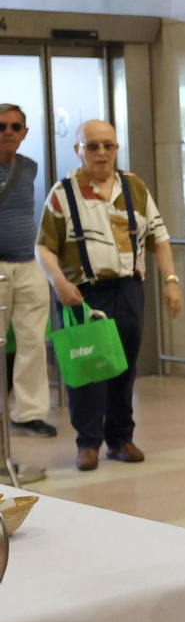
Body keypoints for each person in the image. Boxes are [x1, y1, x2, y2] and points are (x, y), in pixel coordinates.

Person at [37, 120, 185, 472]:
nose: (101, 153)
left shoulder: (133, 186)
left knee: (124, 365)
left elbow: (158, 238)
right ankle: (87, 443)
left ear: (117, 148)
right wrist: (58, 282)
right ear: (79, 150)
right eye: (93, 146)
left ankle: (120, 439)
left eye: (108, 145)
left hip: (128, 288)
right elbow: (44, 247)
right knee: (86, 367)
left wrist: (171, 280)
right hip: (81, 293)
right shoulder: (63, 192)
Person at [2, 104, 55, 443]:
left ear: (25, 133)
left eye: (15, 127)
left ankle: (29, 413)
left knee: (33, 342)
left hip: (28, 264)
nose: (8, 132)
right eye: (1, 126)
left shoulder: (31, 168)